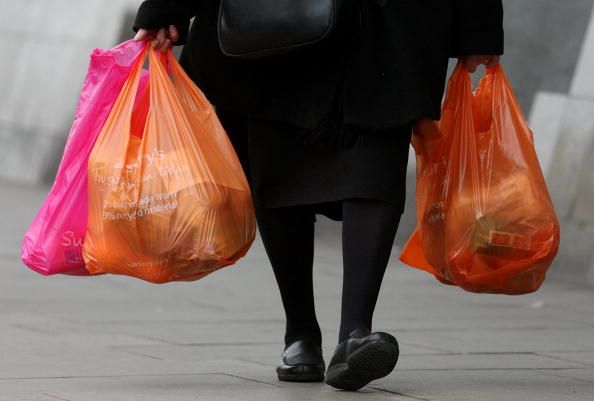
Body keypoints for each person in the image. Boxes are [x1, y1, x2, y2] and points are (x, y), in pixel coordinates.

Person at [132, 0, 503, 391]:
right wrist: (167, 7)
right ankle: (301, 333)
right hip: (274, 26)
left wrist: (477, 24)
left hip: (386, 28)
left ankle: (354, 335)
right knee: (277, 166)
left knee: (375, 163)